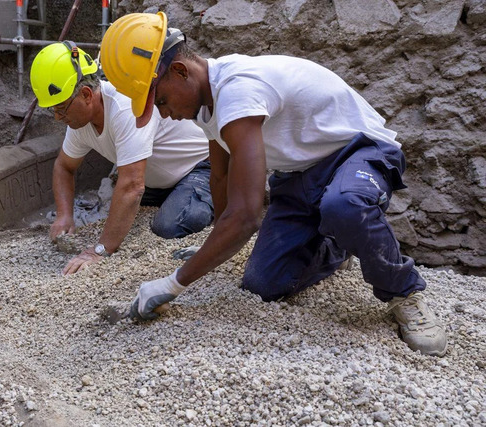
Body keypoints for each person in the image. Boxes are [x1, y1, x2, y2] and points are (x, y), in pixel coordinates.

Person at [99, 12, 448, 356]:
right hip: (299, 176)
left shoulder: (237, 90)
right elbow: (220, 176)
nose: (163, 113)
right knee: (263, 284)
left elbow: (247, 215)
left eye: (160, 100)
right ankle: (337, 246)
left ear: (179, 71)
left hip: (358, 153)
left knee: (345, 205)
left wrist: (174, 283)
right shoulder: (206, 106)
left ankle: (405, 293)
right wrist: (214, 245)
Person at [30, 41, 214, 275]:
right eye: (52, 110)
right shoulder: (79, 123)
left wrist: (99, 250)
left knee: (169, 225)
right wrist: (64, 216)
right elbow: (64, 167)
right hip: (158, 182)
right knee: (122, 209)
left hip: (199, 168)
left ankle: (221, 193)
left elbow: (132, 185)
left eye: (61, 108)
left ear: (87, 94)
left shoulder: (124, 107)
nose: (57, 117)